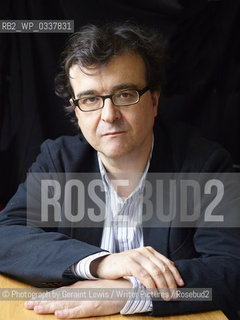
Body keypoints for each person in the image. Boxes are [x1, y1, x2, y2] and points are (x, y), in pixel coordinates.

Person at [0, 23, 239, 320]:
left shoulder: (206, 167)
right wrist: (102, 264)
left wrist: (127, 291)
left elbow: (231, 269)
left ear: (153, 100)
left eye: (124, 94)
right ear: (76, 110)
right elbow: (5, 235)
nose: (108, 115)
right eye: (90, 99)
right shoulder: (58, 161)